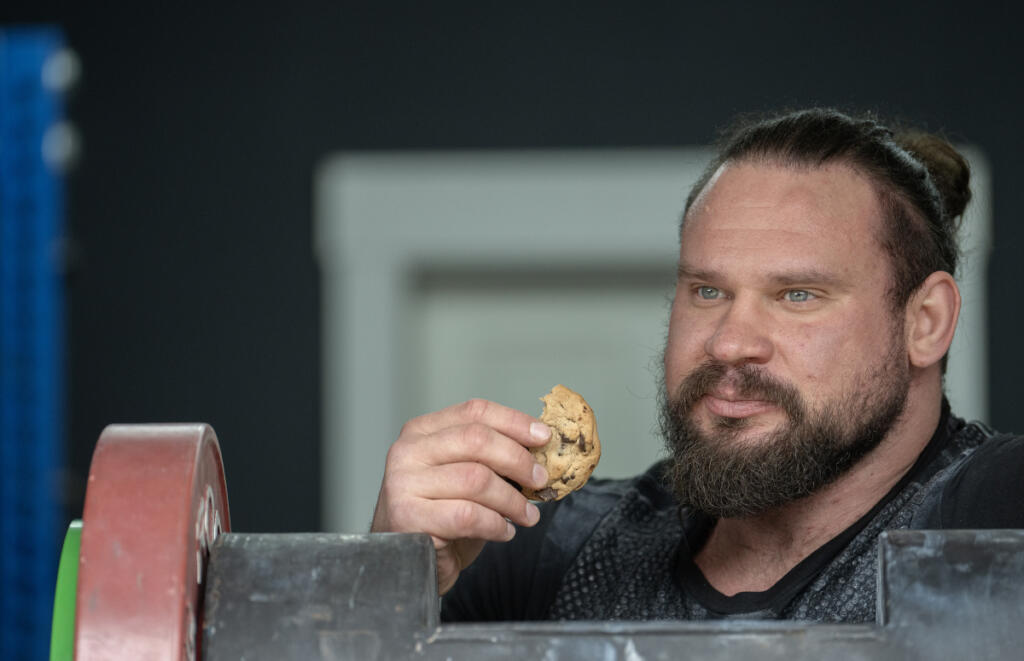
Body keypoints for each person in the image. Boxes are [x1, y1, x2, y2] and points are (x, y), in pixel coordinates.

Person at [370, 108, 1024, 623]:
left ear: (926, 321)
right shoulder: (545, 554)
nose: (730, 342)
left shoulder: (994, 511)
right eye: (707, 291)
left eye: (797, 294)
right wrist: (387, 583)